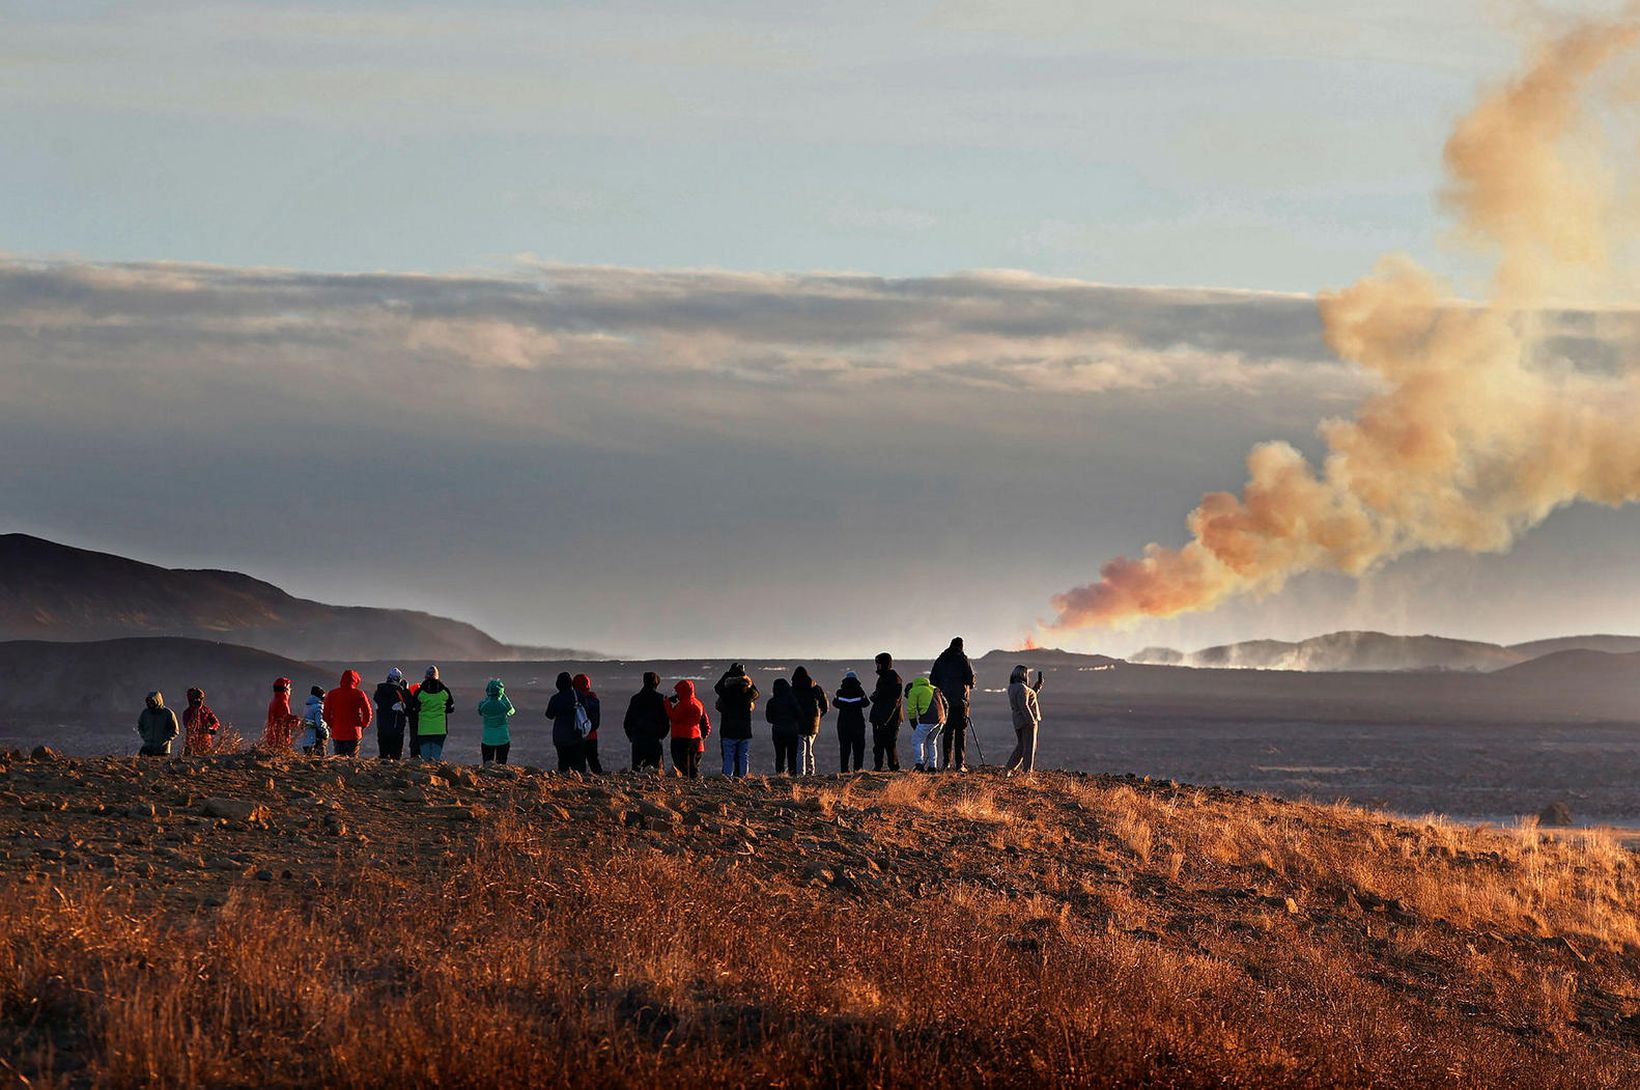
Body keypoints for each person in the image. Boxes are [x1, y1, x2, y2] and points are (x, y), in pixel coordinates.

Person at [930, 637, 976, 772]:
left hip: (944, 702)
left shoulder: (940, 660)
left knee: (947, 731)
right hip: (960, 702)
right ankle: (960, 764)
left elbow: (933, 680)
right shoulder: (963, 659)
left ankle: (946, 762)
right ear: (961, 646)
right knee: (960, 731)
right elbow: (970, 679)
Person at [713, 663, 760, 778]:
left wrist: (728, 674)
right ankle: (743, 777)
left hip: (728, 730)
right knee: (743, 756)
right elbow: (756, 692)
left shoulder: (726, 693)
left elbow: (717, 687)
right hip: (744, 731)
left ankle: (727, 777)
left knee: (728, 756)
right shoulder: (748, 693)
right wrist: (746, 678)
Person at [623, 672, 671, 772]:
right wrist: (660, 736)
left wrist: (632, 737)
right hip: (654, 740)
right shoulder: (661, 699)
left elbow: (627, 722)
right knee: (656, 771)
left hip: (638, 740)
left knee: (637, 770)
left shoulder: (635, 699)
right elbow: (666, 721)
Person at [1004, 665, 1045, 775]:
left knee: (1021, 746)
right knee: (1029, 748)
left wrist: (1037, 687)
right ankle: (1027, 772)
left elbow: (1028, 698)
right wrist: (1031, 721)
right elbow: (1024, 705)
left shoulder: (1012, 687)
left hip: (1018, 721)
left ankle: (1008, 768)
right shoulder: (1022, 688)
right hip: (1027, 721)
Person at [323, 670, 374, 758]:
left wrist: (332, 725)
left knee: (339, 759)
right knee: (352, 760)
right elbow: (367, 712)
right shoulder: (359, 694)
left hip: (337, 731)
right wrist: (363, 725)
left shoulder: (332, 694)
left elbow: (326, 714)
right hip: (354, 732)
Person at [667, 679, 711, 779]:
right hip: (697, 740)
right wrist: (702, 737)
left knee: (682, 767)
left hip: (680, 739)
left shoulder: (684, 704)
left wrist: (667, 704)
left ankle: (686, 788)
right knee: (694, 768)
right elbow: (706, 724)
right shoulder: (699, 703)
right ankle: (695, 786)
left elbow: (674, 717)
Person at [790, 667, 829, 776]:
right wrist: (818, 717)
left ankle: (800, 773)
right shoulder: (816, 688)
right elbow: (825, 707)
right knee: (809, 749)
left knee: (800, 751)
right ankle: (810, 771)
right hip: (813, 724)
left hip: (798, 724)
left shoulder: (793, 690)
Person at [869, 652, 904, 771]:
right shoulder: (886, 678)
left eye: (878, 663)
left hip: (888, 718)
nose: (877, 666)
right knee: (879, 745)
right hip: (882, 717)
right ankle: (879, 767)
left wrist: (884, 720)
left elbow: (893, 702)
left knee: (889, 744)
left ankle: (892, 767)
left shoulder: (892, 678)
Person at [546, 672, 586, 773]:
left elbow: (549, 715)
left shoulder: (555, 699)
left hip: (560, 736)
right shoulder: (578, 696)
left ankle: (564, 784)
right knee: (578, 765)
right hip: (575, 734)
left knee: (563, 763)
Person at [907, 675, 948, 772]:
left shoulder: (914, 691)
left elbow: (911, 710)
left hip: (928, 719)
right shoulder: (934, 688)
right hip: (940, 719)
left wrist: (914, 725)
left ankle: (919, 765)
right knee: (931, 742)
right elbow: (946, 704)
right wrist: (944, 720)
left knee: (917, 740)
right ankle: (932, 767)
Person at [414, 666, 455, 761]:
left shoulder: (420, 692)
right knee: (435, 759)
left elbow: (414, 708)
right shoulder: (445, 691)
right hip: (439, 729)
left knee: (425, 759)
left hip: (424, 729)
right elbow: (451, 709)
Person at [832, 671, 871, 772]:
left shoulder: (840, 692)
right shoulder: (860, 692)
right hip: (857, 723)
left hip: (843, 724)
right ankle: (858, 768)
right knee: (858, 748)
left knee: (844, 748)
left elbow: (835, 703)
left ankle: (844, 769)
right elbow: (866, 703)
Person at [765, 678, 801, 776]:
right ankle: (793, 775)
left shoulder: (772, 702)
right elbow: (799, 714)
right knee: (792, 756)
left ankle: (780, 775)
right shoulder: (793, 700)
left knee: (779, 755)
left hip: (778, 731)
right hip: (792, 730)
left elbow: (769, 719)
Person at [374, 668, 411, 760]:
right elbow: (409, 707)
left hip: (382, 728)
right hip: (396, 729)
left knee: (383, 756)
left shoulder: (379, 691)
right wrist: (406, 690)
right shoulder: (399, 692)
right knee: (395, 757)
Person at [477, 678, 516, 764]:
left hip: (487, 739)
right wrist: (504, 697)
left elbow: (480, 711)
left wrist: (488, 698)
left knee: (487, 764)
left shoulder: (483, 705)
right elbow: (512, 711)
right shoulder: (504, 705)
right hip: (502, 739)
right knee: (501, 764)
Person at [573, 674, 603, 774]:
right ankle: (600, 780)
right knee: (594, 761)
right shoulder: (594, 700)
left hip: (577, 737)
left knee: (579, 763)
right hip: (592, 736)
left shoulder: (574, 700)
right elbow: (596, 722)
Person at [262, 678, 300, 752]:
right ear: (285, 689)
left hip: (273, 736)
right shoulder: (282, 702)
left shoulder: (275, 700)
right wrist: (296, 719)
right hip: (279, 738)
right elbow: (284, 719)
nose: (290, 690)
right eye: (289, 687)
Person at [136, 691, 179, 756]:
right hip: (148, 747)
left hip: (163, 750)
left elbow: (175, 731)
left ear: (158, 700)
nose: (150, 703)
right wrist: (145, 737)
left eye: (152, 701)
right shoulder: (145, 713)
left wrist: (164, 740)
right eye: (149, 701)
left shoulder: (168, 713)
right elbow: (140, 726)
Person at [182, 688, 220, 756]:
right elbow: (188, 725)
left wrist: (212, 728)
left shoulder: (206, 710)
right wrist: (195, 711)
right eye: (196, 699)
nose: (199, 701)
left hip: (205, 742)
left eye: (201, 699)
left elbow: (216, 722)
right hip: (192, 743)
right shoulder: (187, 712)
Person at [299, 685, 328, 756]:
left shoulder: (307, 706)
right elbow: (319, 723)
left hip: (306, 741)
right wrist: (326, 733)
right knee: (320, 762)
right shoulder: (318, 707)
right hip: (316, 740)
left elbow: (305, 722)